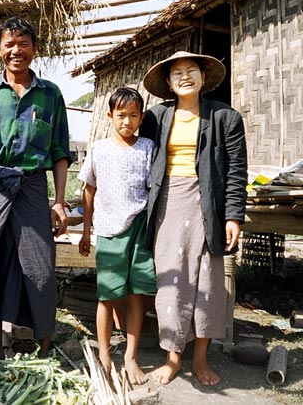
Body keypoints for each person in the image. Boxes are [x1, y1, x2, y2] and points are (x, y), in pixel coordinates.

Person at [0, 16, 72, 359]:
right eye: (9, 44)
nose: (16, 51)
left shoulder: (50, 94)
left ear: (35, 50)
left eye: (23, 44)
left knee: (41, 268)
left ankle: (44, 351)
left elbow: (60, 151)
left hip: (33, 186)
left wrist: (60, 201)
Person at [139, 50, 247, 386]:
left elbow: (236, 171)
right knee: (172, 280)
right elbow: (140, 159)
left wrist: (233, 216)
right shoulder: (155, 117)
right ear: (169, 84)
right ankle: (172, 358)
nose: (185, 77)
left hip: (209, 204)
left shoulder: (225, 117)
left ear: (203, 78)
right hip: (168, 203)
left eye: (191, 71)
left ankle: (200, 359)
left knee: (208, 282)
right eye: (177, 73)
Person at [77, 86, 156, 385]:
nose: (127, 121)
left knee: (137, 294)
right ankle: (105, 355)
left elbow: (154, 190)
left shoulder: (147, 147)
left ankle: (131, 356)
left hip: (139, 227)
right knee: (107, 296)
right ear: (109, 116)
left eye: (133, 115)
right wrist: (86, 231)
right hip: (109, 229)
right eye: (121, 115)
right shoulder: (98, 149)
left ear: (142, 117)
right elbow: (89, 191)